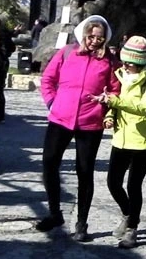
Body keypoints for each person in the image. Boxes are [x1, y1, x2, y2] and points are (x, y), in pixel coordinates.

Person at [36, 14, 120, 241]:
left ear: (105, 39)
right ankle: (55, 213)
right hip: (60, 118)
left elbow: (116, 89)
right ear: (84, 33)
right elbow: (47, 80)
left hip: (90, 122)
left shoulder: (110, 61)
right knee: (49, 164)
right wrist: (53, 102)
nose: (94, 41)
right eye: (91, 36)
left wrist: (105, 102)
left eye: (99, 38)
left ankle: (82, 223)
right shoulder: (66, 53)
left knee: (84, 172)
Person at [93, 36, 146, 249]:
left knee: (134, 185)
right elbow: (114, 103)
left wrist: (114, 101)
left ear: (141, 62)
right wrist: (109, 115)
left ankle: (132, 228)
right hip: (121, 137)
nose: (124, 65)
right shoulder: (120, 76)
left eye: (130, 62)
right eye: (123, 60)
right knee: (113, 182)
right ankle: (127, 213)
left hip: (143, 140)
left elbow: (144, 108)